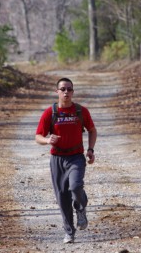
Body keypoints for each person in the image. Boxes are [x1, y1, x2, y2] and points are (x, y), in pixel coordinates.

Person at [35, 77, 97, 244]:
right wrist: (47, 140)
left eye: (69, 89)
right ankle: (69, 232)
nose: (66, 92)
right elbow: (38, 136)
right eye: (63, 89)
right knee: (62, 198)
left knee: (76, 186)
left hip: (76, 157)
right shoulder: (51, 112)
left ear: (73, 92)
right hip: (57, 159)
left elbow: (92, 130)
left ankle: (81, 207)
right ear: (57, 92)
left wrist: (90, 150)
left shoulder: (80, 111)